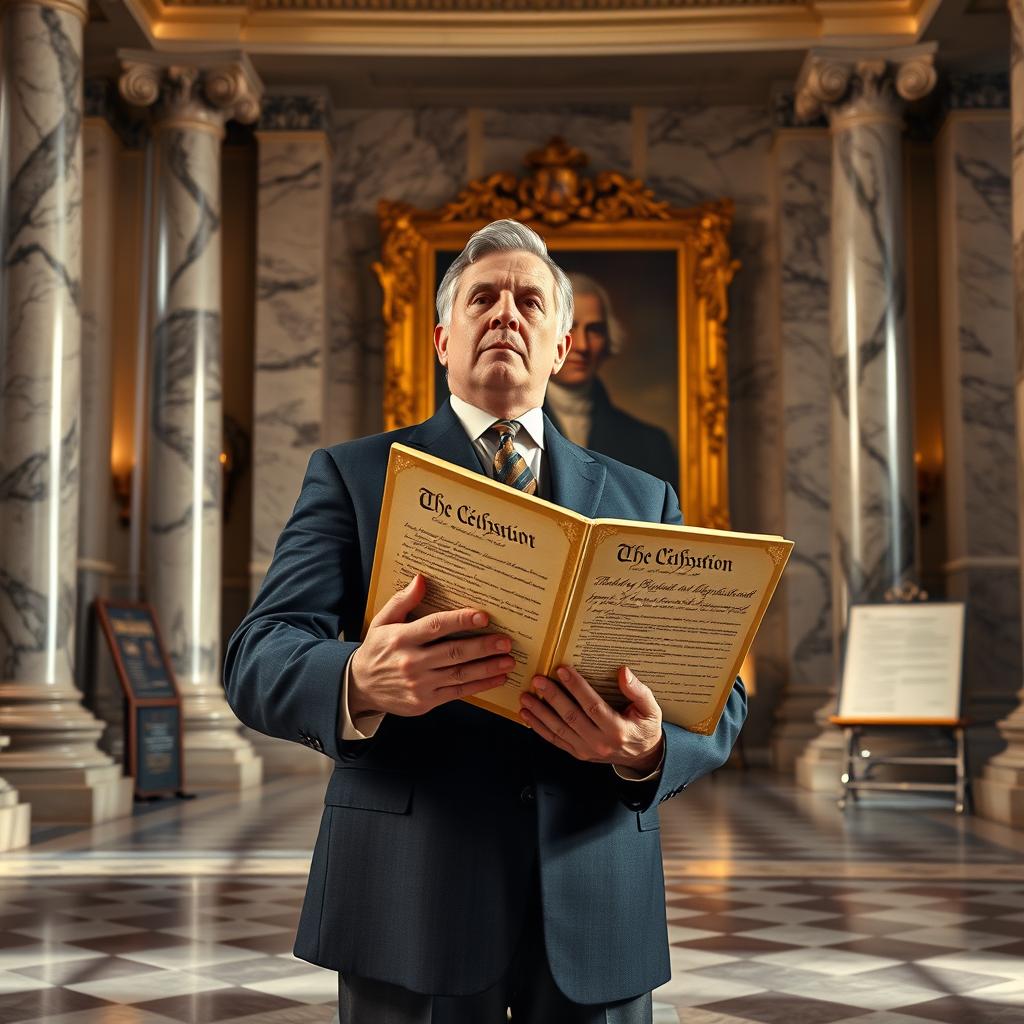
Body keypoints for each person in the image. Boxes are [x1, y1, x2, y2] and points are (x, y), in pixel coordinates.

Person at [223, 219, 746, 1024]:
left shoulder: (647, 499)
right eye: (483, 298)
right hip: (408, 898)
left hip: (595, 897)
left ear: (562, 346)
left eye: (530, 300)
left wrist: (647, 749)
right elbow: (257, 655)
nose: (507, 312)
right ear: (442, 338)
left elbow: (718, 695)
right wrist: (358, 680)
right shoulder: (354, 474)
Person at [546, 272, 678, 493]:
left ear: (609, 340)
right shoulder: (507, 434)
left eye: (595, 330)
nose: (582, 345)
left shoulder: (652, 444)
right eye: (569, 328)